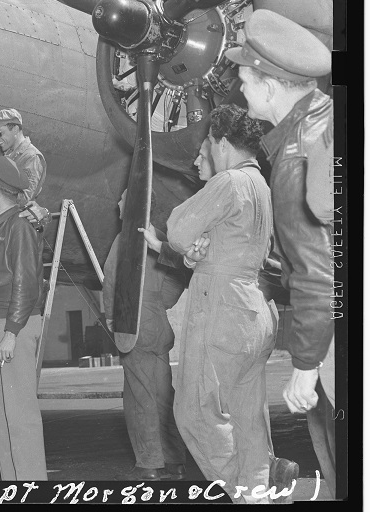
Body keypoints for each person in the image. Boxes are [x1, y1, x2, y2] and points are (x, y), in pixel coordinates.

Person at [225, 10, 336, 496]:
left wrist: (307, 366)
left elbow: (321, 275)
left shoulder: (295, 157)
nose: (241, 91)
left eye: (245, 80)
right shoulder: (326, 121)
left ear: (270, 86)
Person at [164, 105, 279, 503]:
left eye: (209, 144)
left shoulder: (229, 181)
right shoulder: (258, 184)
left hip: (222, 306)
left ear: (223, 142)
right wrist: (204, 249)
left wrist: (192, 245)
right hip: (254, 305)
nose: (207, 152)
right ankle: (262, 484)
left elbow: (178, 230)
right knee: (248, 418)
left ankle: (246, 492)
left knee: (195, 413)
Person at [102, 190, 190, 482]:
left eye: (123, 200)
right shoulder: (162, 239)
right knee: (164, 394)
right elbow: (178, 279)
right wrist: (157, 305)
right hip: (158, 321)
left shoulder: (124, 239)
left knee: (139, 396)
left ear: (136, 206)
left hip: (132, 320)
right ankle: (175, 460)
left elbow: (111, 283)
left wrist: (114, 319)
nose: (118, 204)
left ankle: (149, 463)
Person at [0, 156, 47, 480]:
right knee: (1, 415)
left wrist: (12, 332)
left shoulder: (18, 226)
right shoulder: (0, 224)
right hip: (0, 321)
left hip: (13, 324)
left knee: (20, 415)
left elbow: (26, 282)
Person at [0, 108, 49, 225]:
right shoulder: (12, 154)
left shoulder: (31, 157)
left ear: (15, 129)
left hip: (13, 224)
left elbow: (24, 199)